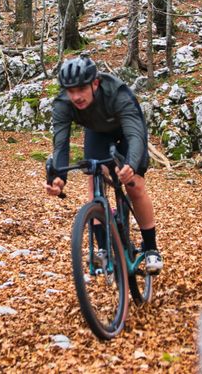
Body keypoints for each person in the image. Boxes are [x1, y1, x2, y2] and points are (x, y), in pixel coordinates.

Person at [45, 54, 163, 274]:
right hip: (98, 133)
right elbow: (61, 143)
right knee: (94, 180)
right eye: (71, 91)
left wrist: (131, 166)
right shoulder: (63, 103)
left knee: (134, 185)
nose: (76, 96)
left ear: (95, 83)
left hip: (128, 132)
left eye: (81, 89)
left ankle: (151, 248)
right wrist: (59, 177)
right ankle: (103, 249)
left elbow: (135, 135)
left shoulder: (117, 93)